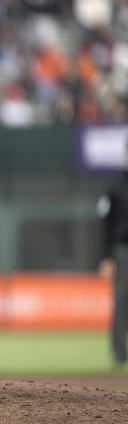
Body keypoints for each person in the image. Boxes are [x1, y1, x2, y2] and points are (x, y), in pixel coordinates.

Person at [98, 141, 128, 366]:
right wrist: (107, 256)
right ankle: (119, 353)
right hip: (123, 247)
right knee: (122, 298)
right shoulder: (115, 188)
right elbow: (105, 225)